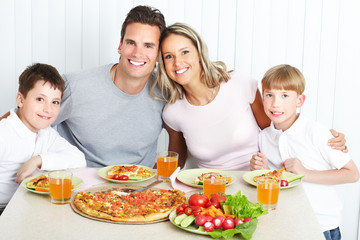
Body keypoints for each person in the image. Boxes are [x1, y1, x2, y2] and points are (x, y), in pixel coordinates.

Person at [152, 23, 347, 170]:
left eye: (185, 52)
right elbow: (175, 161)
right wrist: (141, 182)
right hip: (210, 194)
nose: (178, 62)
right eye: (169, 56)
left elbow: (277, 127)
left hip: (260, 184)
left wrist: (322, 138)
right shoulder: (173, 112)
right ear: (163, 63)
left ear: (199, 53)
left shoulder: (239, 83)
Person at [250, 64, 359, 239]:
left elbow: (352, 174)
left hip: (320, 226)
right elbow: (279, 181)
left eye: (285, 95)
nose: (276, 103)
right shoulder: (264, 137)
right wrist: (263, 172)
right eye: (269, 95)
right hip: (287, 224)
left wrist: (305, 173)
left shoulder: (316, 132)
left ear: (300, 101)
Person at [51, 6, 166, 168]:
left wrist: (159, 182)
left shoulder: (165, 92)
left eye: (148, 45)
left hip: (141, 191)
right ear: (120, 45)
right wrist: (40, 160)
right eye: (131, 43)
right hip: (82, 189)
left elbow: (179, 142)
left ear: (158, 54)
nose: (137, 53)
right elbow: (23, 121)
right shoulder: (76, 86)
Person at [0, 63, 86, 215]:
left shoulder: (45, 133)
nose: (48, 109)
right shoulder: (5, 133)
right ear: (21, 100)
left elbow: (78, 158)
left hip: (27, 206)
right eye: (40, 99)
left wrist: (38, 160)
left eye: (55, 102)